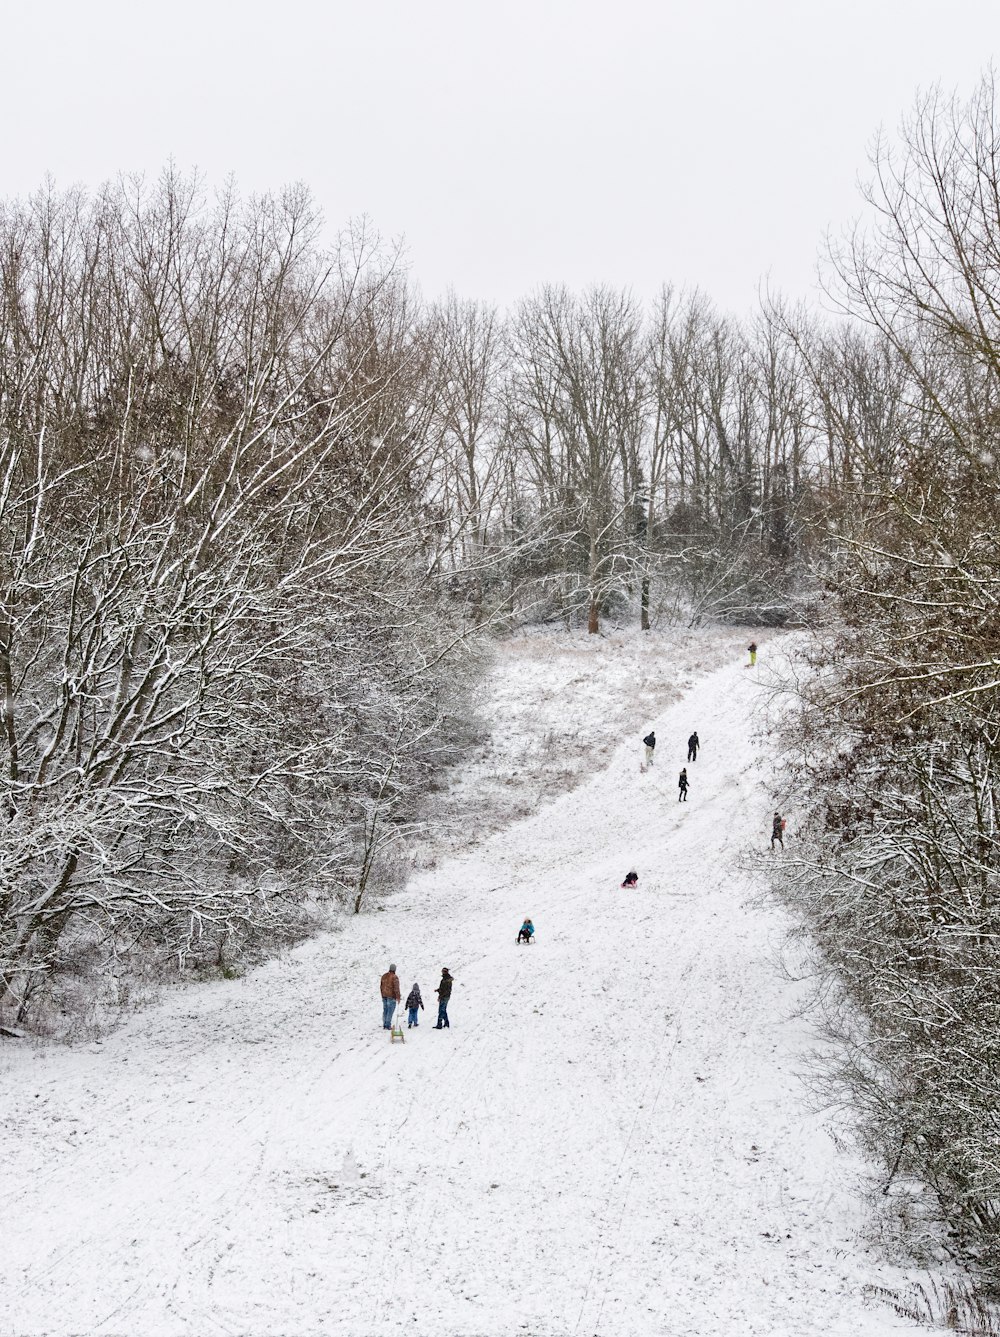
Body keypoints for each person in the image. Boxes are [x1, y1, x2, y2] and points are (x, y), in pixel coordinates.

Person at [380, 964, 401, 1030]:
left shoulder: (384, 976)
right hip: (391, 996)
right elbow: (396, 989)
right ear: (394, 969)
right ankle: (388, 1025)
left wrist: (382, 995)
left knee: (385, 1010)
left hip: (384, 996)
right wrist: (398, 997)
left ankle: (384, 1024)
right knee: (390, 1011)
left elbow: (381, 986)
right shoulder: (395, 977)